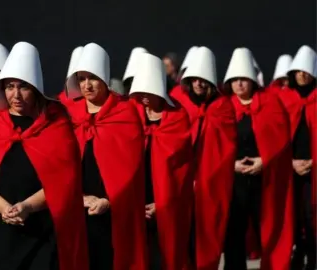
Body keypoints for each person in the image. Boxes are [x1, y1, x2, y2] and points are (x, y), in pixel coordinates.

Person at [0, 42, 89, 270]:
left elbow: (64, 182)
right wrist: (3, 208)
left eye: (24, 87)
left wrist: (28, 207)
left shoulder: (57, 126)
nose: (16, 95)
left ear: (36, 89)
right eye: (10, 87)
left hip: (42, 232)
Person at [64, 43, 147, 270]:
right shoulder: (71, 114)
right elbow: (61, 163)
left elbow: (131, 167)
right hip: (77, 206)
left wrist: (108, 200)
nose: (87, 85)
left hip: (115, 207)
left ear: (105, 80)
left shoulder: (125, 112)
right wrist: (78, 196)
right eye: (82, 79)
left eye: (93, 78)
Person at [222, 48, 293, 270]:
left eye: (244, 79)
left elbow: (281, 139)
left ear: (253, 81)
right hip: (234, 181)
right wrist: (231, 164)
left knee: (268, 227)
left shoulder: (271, 104)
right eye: (235, 80)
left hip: (264, 179)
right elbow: (217, 144)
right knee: (234, 231)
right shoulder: (223, 107)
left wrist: (265, 160)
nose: (240, 84)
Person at [171, 46, 237, 270]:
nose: (198, 83)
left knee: (207, 232)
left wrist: (205, 178)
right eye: (194, 79)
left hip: (210, 184)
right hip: (180, 182)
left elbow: (225, 150)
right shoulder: (179, 104)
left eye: (203, 80)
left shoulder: (223, 107)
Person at [129, 52, 193, 270]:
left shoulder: (177, 117)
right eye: (141, 91)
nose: (144, 96)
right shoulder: (131, 115)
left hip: (165, 201)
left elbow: (181, 171)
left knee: (164, 257)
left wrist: (162, 203)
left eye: (149, 90)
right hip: (135, 199)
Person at [277, 45, 316, 270]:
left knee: (311, 216)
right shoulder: (284, 99)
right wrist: (289, 162)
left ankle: (311, 256)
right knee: (292, 215)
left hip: (313, 166)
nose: (302, 75)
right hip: (289, 167)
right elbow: (275, 136)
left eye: (306, 71)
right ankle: (296, 253)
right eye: (298, 71)